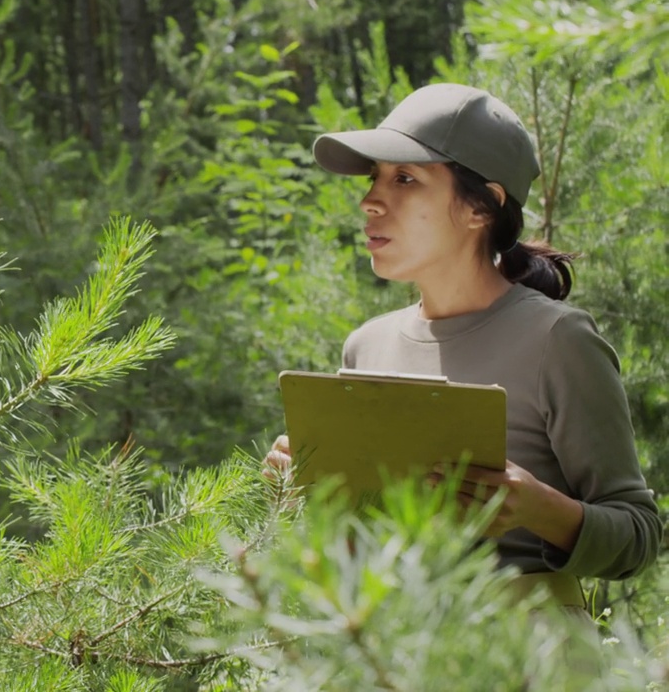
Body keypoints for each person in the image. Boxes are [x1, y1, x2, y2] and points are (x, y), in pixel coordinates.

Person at [266, 83, 661, 606]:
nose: (369, 201)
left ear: (483, 207)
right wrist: (305, 490)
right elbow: (356, 546)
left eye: (405, 178)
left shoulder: (557, 340)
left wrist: (538, 508)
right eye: (373, 178)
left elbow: (639, 537)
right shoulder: (366, 346)